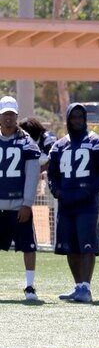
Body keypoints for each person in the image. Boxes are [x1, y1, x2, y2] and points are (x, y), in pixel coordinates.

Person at [49, 103, 99, 303]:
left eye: (80, 117)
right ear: (68, 119)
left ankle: (86, 286)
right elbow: (52, 174)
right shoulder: (59, 145)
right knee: (70, 246)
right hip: (67, 202)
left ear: (85, 119)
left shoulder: (96, 142)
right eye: (73, 117)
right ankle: (78, 286)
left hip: (87, 203)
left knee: (87, 245)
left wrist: (90, 190)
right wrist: (56, 190)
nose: (77, 121)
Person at [0, 96, 42, 301]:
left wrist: (27, 203)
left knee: (28, 247)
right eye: (4, 114)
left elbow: (33, 175)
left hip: (18, 205)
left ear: (16, 116)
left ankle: (30, 286)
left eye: (11, 114)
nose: (8, 118)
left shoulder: (26, 142)